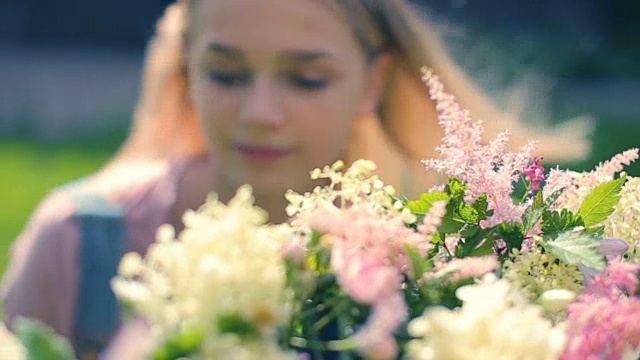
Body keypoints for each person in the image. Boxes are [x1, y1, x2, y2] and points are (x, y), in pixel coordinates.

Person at [1, 0, 592, 358]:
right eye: (227, 73)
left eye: (306, 79)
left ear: (372, 83)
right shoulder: (79, 245)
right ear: (187, 70)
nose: (260, 111)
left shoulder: (435, 265)